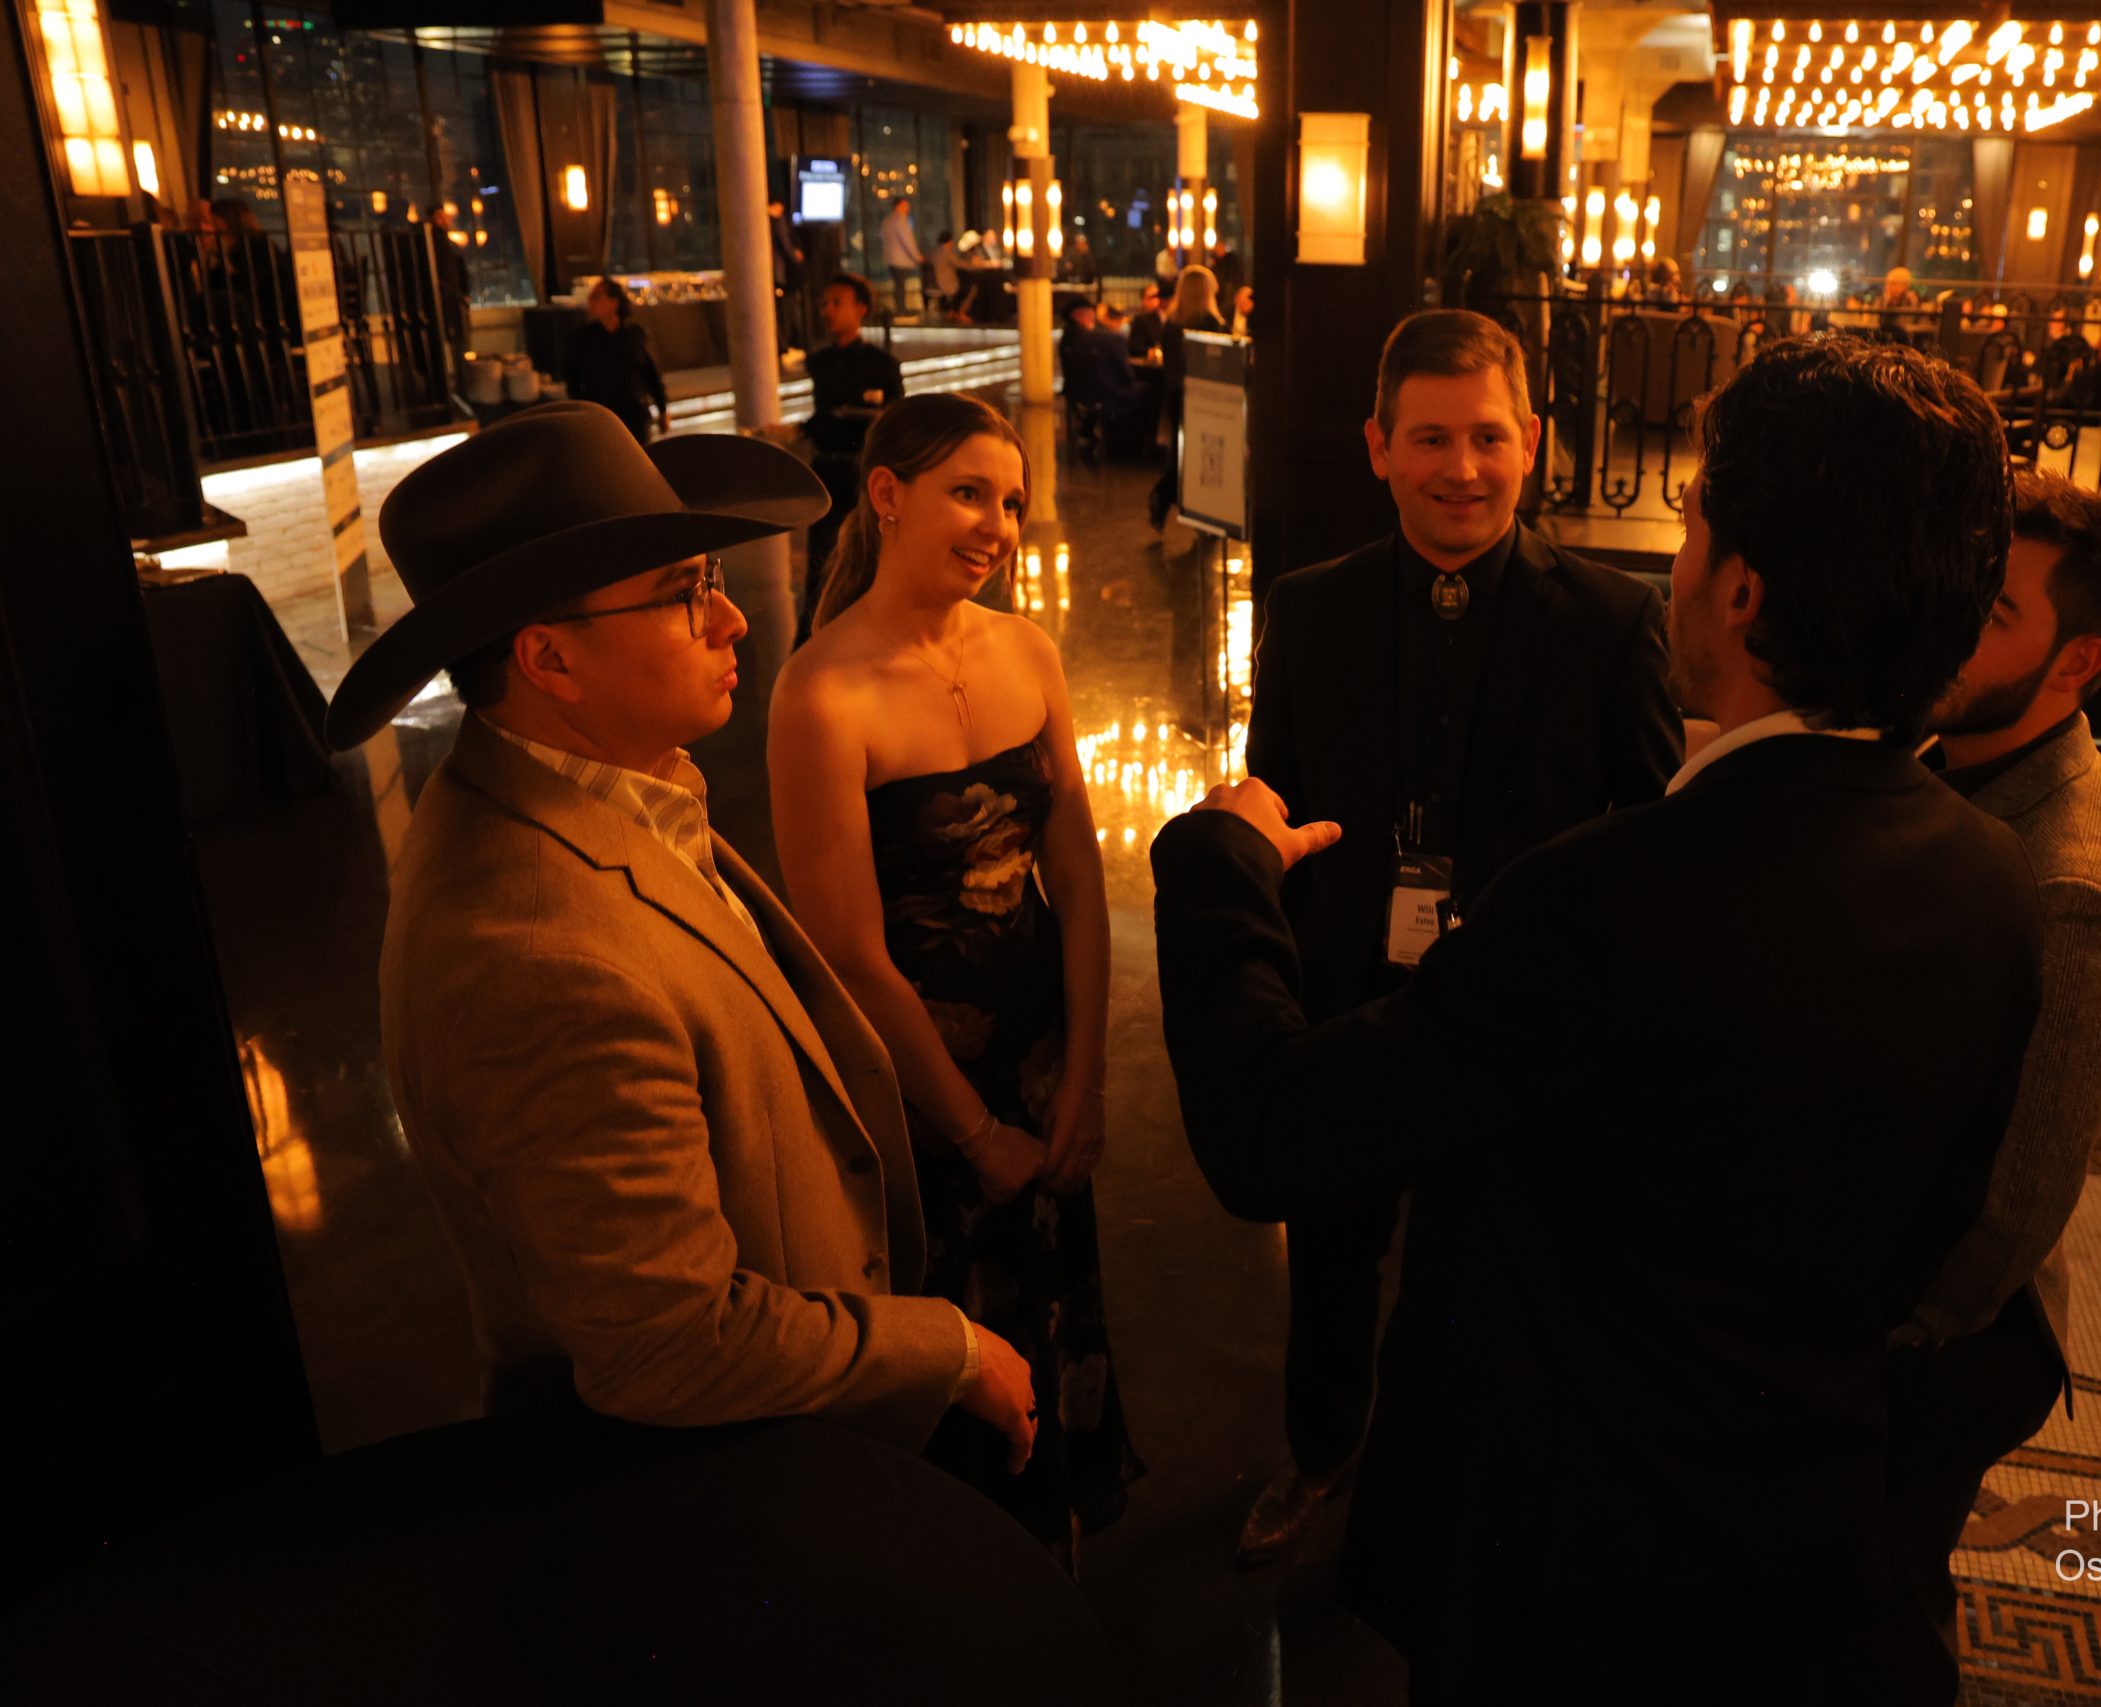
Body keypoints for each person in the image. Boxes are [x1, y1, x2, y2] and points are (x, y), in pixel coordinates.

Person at [1150, 334, 2043, 1701]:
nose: (1674, 558)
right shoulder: (1994, 876)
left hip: (1569, 1560)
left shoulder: (1609, 899)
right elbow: (1925, 1233)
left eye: (1689, 520)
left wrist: (1218, 861)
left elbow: (1268, 1133)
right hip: (1796, 1533)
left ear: (1741, 588)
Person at [326, 401, 1038, 1477]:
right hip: (718, 1475)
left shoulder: (609, 777)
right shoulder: (534, 956)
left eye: (712, 579)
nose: (734, 619)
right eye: (684, 593)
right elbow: (669, 1343)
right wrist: (949, 1350)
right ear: (550, 659)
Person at [1233, 309, 1682, 1566]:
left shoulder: (1610, 620)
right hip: (1347, 1000)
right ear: (1378, 446)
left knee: (1500, 1266)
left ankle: (1475, 1489)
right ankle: (1322, 1453)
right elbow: (1276, 807)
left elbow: (1652, 837)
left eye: (1487, 437)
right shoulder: (1307, 609)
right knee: (1330, 1257)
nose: (1462, 468)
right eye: (1429, 438)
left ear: (1531, 440)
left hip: (1525, 1018)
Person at [770, 395, 1144, 1566]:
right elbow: (848, 953)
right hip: (919, 1086)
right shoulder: (820, 693)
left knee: (1054, 1292)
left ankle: (1060, 1536)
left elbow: (1075, 872)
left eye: (1012, 503)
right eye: (969, 494)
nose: (998, 526)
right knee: (955, 1326)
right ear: (887, 496)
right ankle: (975, 1580)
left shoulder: (1027, 650)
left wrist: (1084, 1075)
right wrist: (976, 1134)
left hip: (1039, 1050)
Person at [1889, 466, 2101, 1648]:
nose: (1948, 621)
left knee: (1881, 1610)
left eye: (1992, 610)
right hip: (1876, 1276)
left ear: (2075, 662)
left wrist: (1884, 1348)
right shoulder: (1944, 751)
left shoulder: (2073, 889)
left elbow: (2015, 1201)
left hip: (1947, 1342)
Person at [796, 272, 905, 643]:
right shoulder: (820, 363)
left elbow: (897, 417)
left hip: (863, 472)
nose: (827, 310)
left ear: (861, 309)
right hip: (826, 468)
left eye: (837, 303)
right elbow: (822, 416)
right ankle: (813, 641)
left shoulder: (881, 364)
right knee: (820, 558)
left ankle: (867, 638)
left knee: (866, 556)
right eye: (825, 303)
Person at [1147, 264, 1225, 531]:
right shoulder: (1210, 323)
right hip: (1205, 398)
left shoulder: (1171, 323)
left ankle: (1165, 498)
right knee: (1201, 456)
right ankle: (1178, 502)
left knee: (1182, 453)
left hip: (1176, 394)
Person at [559, 276, 667, 444]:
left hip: (634, 416)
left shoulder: (634, 335)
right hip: (600, 418)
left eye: (596, 297)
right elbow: (571, 377)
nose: (590, 301)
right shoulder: (582, 338)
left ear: (614, 303)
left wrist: (662, 409)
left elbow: (650, 373)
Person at [1057, 293, 1151, 457]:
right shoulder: (1107, 339)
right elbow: (1126, 376)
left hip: (1078, 392)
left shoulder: (1068, 338)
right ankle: (1143, 445)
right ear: (1083, 314)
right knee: (1150, 391)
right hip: (1105, 394)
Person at [429, 203, 472, 379]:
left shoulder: (446, 242)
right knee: (453, 337)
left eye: (444, 216)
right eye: (439, 217)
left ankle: (460, 374)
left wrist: (464, 291)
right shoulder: (436, 242)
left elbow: (460, 267)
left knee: (457, 338)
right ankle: (456, 376)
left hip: (453, 295)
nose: (444, 220)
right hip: (447, 296)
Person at [768, 198, 805, 351]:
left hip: (773, 273)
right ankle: (786, 342)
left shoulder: (760, 219)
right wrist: (795, 257)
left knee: (780, 309)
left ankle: (783, 342)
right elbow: (785, 244)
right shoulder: (777, 220)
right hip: (781, 273)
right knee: (786, 309)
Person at [880, 195, 924, 317]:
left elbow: (882, 237)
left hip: (891, 259)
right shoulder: (901, 220)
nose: (908, 207)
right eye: (906, 205)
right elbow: (908, 241)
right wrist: (917, 257)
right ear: (899, 206)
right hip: (900, 259)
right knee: (900, 286)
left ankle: (900, 309)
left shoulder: (887, 220)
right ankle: (901, 310)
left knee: (898, 285)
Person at [1125, 281, 1167, 362]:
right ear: (1143, 300)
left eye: (1158, 296)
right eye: (1152, 297)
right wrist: (1149, 351)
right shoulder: (1140, 320)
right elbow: (1132, 347)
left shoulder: (1166, 317)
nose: (1156, 300)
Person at [931, 229, 962, 316]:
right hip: (946, 283)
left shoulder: (934, 252)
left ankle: (951, 310)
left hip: (934, 282)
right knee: (966, 287)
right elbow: (960, 264)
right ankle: (958, 312)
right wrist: (977, 263)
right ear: (949, 241)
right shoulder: (947, 253)